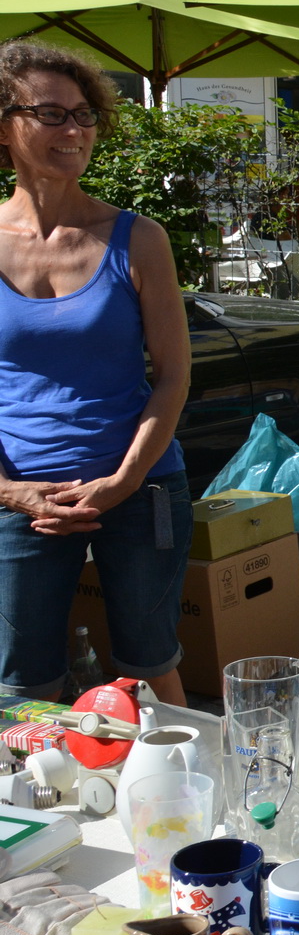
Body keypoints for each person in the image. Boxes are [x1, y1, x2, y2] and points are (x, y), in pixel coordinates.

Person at [0, 41, 191, 706]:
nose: (74, 131)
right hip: (24, 497)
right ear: (5, 125)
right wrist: (11, 492)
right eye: (50, 114)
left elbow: (172, 374)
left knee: (150, 664)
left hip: (140, 488)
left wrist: (122, 481)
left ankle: (180, 801)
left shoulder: (138, 238)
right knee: (24, 687)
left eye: (83, 115)